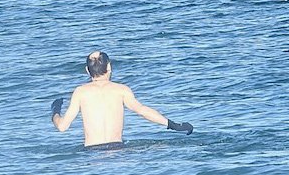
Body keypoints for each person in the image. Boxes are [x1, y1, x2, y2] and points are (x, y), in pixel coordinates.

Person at [50, 51, 193, 149]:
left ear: (87, 70)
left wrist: (55, 110)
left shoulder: (81, 92)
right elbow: (142, 111)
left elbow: (62, 127)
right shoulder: (121, 90)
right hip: (118, 150)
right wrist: (174, 125)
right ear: (109, 67)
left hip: (92, 154)